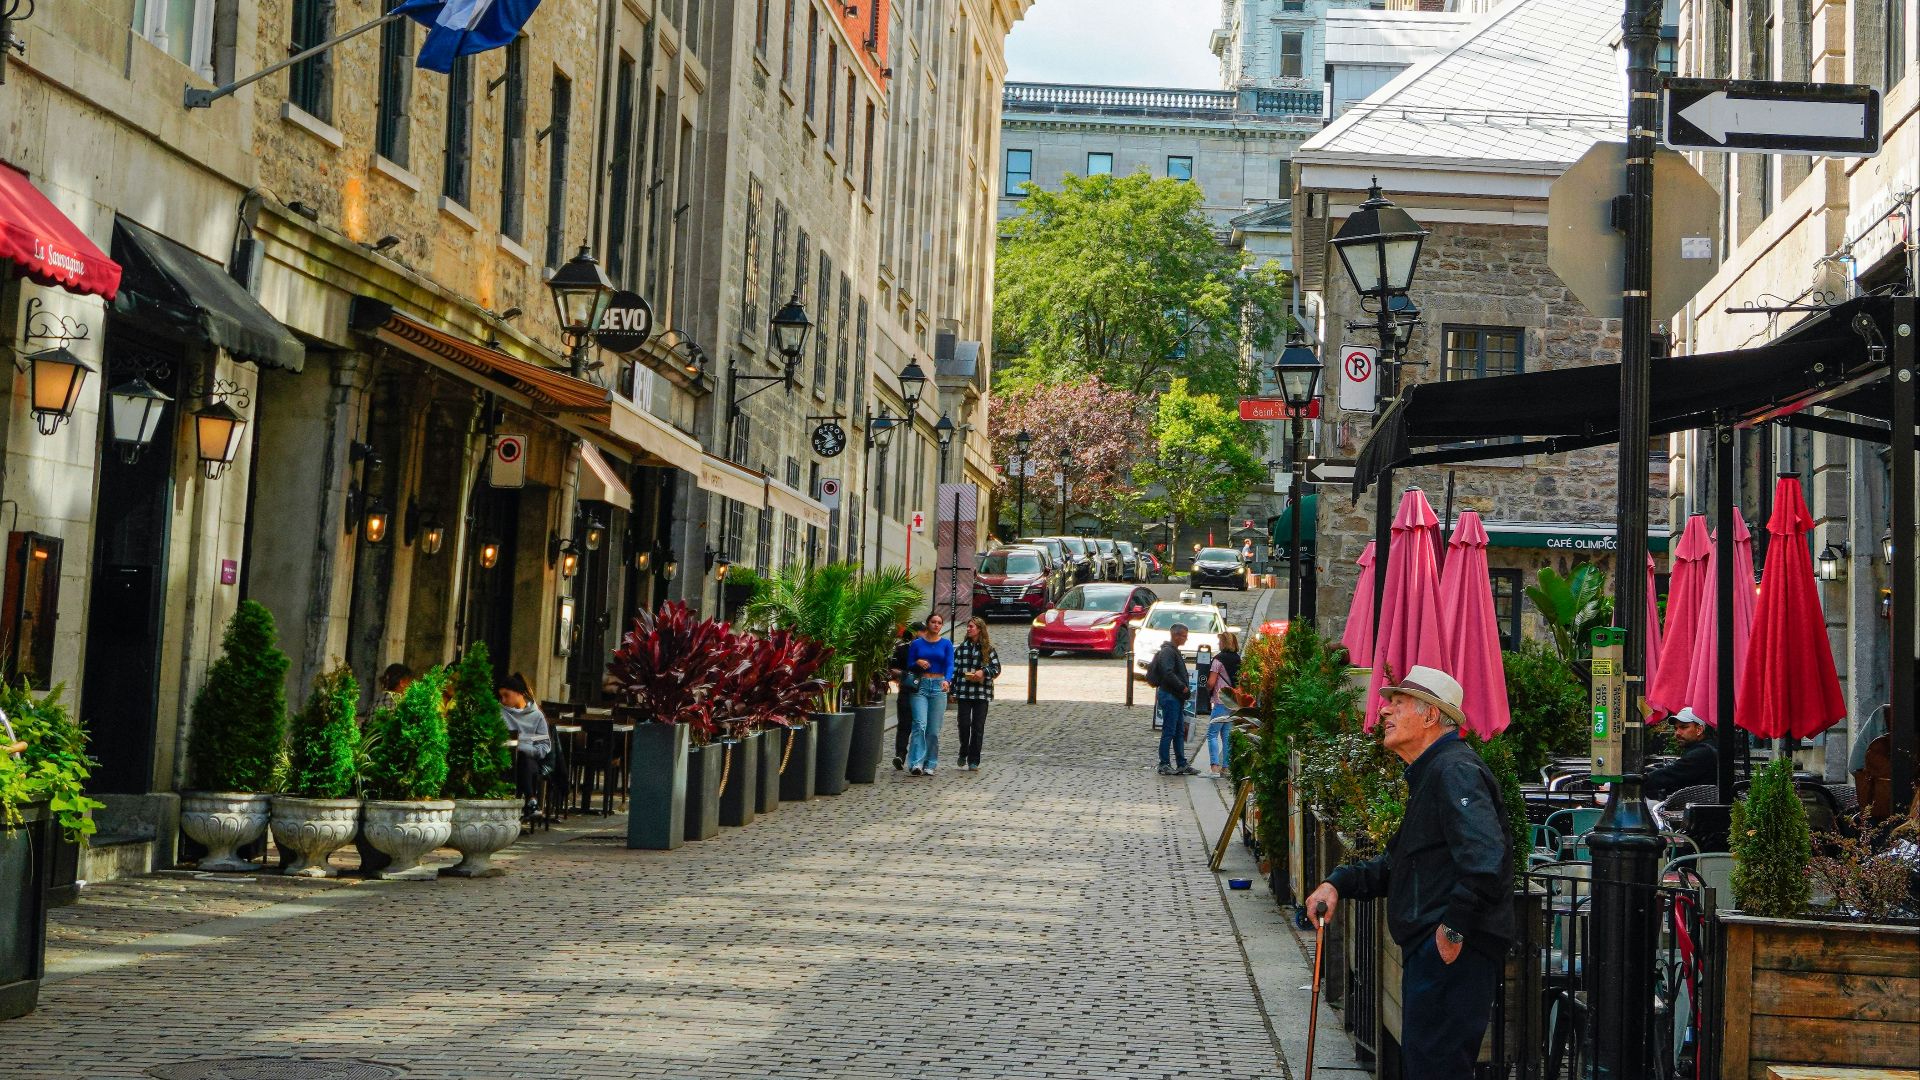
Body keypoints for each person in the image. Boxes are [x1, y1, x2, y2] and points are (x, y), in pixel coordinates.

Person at [1304, 666, 1514, 1080]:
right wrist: (1338, 882)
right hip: (1437, 949)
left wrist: (1452, 931)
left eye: (1397, 704)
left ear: (1431, 716)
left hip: (1452, 951)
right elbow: (1405, 863)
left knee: (1437, 1068)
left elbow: (1486, 859)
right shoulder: (1435, 772)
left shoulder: (1453, 770)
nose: (1384, 712)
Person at [497, 673, 552, 819]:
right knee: (517, 759)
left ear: (519, 693)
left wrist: (524, 749)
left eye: (506, 695)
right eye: (501, 696)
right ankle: (530, 800)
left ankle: (528, 801)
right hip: (505, 759)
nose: (503, 700)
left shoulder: (536, 716)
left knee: (523, 758)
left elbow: (544, 746)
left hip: (529, 761)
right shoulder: (499, 712)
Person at [904, 615, 954, 776]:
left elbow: (950, 664)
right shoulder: (917, 644)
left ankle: (930, 762)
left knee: (933, 729)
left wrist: (947, 680)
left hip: (939, 686)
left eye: (939, 623)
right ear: (928, 624)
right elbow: (909, 664)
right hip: (921, 687)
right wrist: (917, 662)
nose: (936, 625)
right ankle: (916, 762)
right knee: (920, 724)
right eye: (933, 622)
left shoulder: (946, 644)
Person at [952, 616, 1001, 772]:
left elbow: (996, 669)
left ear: (979, 629)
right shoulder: (961, 649)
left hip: (981, 693)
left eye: (971, 626)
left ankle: (974, 759)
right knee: (964, 724)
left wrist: (983, 672)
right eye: (968, 626)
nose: (968, 629)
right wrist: (952, 691)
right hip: (964, 692)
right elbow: (954, 670)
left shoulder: (988, 649)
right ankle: (963, 750)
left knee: (978, 727)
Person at [1148, 625, 1197, 776]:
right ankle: (1164, 763)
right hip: (1170, 695)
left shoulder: (1173, 650)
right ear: (1175, 635)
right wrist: (1182, 687)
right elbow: (1167, 673)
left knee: (1178, 731)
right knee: (1169, 731)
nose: (1185, 638)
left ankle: (1181, 763)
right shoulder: (1168, 651)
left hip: (1175, 696)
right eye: (1183, 635)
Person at [1643, 707, 1719, 800]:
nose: (1677, 733)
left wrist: (1637, 780)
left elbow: (1669, 775)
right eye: (1676, 728)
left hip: (1703, 811)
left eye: (1683, 727)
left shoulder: (1702, 753)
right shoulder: (1705, 748)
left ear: (1699, 729)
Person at [1205, 631, 1246, 777]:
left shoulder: (1218, 660)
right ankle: (1226, 767)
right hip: (1233, 703)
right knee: (1227, 735)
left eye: (1219, 641)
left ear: (1223, 643)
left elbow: (1211, 682)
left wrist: (1208, 688)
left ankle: (1214, 767)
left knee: (1212, 734)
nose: (1218, 644)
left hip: (1220, 700)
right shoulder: (1238, 659)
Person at [889, 622, 924, 771]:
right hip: (907, 689)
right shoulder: (903, 649)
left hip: (924, 690)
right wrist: (904, 675)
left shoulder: (927, 650)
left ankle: (917, 758)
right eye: (922, 631)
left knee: (920, 725)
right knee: (904, 724)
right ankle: (900, 755)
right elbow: (891, 668)